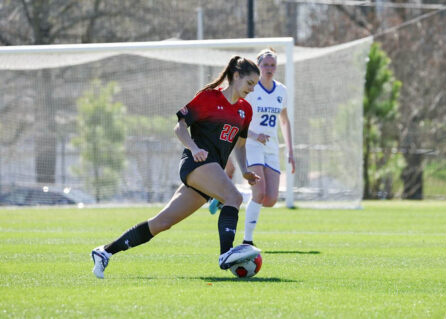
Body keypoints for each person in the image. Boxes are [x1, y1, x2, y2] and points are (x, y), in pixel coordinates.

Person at [91, 56, 261, 279]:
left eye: (255, 85)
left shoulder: (245, 110)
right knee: (234, 197)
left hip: (210, 172)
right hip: (196, 163)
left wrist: (245, 170)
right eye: (250, 83)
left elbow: (239, 145)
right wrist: (193, 147)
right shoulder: (209, 97)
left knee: (162, 223)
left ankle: (104, 251)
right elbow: (179, 128)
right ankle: (226, 253)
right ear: (236, 76)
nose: (252, 89)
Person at [209, 48, 295, 247]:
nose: (269, 68)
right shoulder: (250, 89)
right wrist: (254, 135)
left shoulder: (281, 90)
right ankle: (248, 241)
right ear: (258, 66)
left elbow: (284, 120)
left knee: (270, 198)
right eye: (265, 64)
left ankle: (225, 195)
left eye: (273, 65)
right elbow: (236, 117)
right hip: (249, 145)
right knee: (259, 192)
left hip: (271, 148)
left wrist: (290, 150)